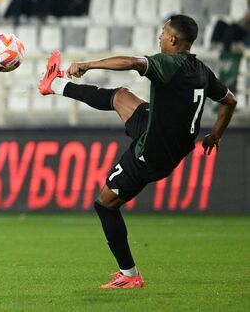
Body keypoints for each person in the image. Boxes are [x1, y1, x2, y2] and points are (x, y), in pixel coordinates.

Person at [38, 14, 237, 288]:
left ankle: (130, 275)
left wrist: (87, 64)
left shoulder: (167, 64)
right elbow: (230, 100)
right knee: (120, 96)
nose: (159, 36)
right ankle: (55, 84)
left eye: (162, 32)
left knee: (104, 205)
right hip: (166, 133)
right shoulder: (202, 70)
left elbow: (132, 62)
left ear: (173, 39)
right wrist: (216, 134)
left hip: (152, 153)